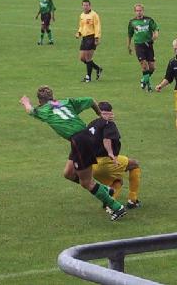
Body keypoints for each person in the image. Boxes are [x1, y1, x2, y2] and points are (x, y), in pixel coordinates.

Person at [20, 86, 127, 221]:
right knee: (68, 173)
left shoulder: (43, 110)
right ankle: (106, 190)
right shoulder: (66, 102)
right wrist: (99, 114)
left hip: (79, 141)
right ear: (53, 97)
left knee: (86, 183)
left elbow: (30, 110)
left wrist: (25, 102)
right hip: (85, 136)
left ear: (40, 101)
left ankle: (117, 207)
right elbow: (90, 100)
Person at [87, 102, 143, 210]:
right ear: (111, 112)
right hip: (105, 161)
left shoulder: (92, 124)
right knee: (135, 164)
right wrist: (111, 153)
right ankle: (132, 200)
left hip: (92, 165)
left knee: (117, 181)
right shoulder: (109, 124)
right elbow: (106, 139)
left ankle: (110, 201)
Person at [127, 3, 159, 92]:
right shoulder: (132, 22)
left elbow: (156, 29)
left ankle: (144, 79)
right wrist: (128, 46)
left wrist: (155, 36)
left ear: (143, 11)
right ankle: (149, 86)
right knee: (145, 66)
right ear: (134, 12)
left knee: (152, 68)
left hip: (148, 45)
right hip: (139, 45)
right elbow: (129, 35)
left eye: (140, 10)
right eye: (137, 11)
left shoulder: (149, 20)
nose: (139, 12)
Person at [75, 0, 102, 83]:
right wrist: (79, 32)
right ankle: (98, 68)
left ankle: (88, 77)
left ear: (90, 6)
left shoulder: (94, 15)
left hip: (91, 37)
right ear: (82, 6)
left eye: (87, 5)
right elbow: (81, 26)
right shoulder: (82, 15)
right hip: (84, 38)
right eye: (84, 5)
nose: (85, 7)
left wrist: (97, 38)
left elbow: (97, 26)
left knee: (88, 58)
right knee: (82, 58)